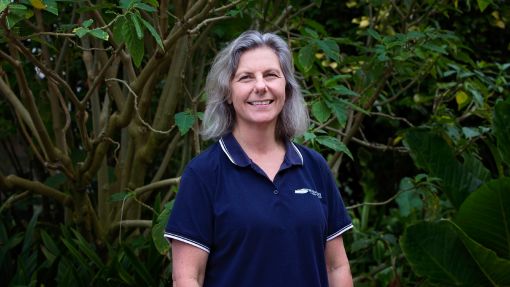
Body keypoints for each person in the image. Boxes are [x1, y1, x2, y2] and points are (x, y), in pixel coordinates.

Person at [164, 30, 353, 287]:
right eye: (246, 77)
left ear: (286, 87)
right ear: (228, 93)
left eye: (271, 75)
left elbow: (336, 266)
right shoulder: (204, 174)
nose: (261, 86)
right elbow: (187, 277)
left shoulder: (314, 167)